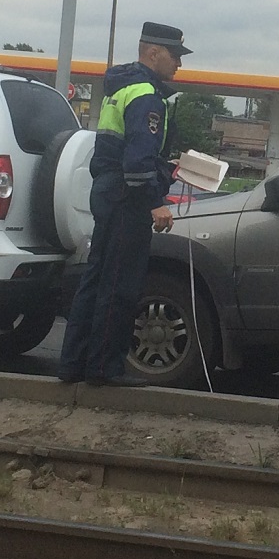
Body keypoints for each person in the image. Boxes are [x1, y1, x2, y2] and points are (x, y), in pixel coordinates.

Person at [58, 21, 190, 386]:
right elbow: (136, 162)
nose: (178, 63)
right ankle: (104, 369)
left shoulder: (123, 88)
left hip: (109, 191)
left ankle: (73, 364)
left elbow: (127, 153)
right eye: (175, 55)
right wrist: (156, 202)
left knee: (97, 280)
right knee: (120, 286)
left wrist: (167, 169)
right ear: (153, 53)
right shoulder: (147, 95)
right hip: (126, 199)